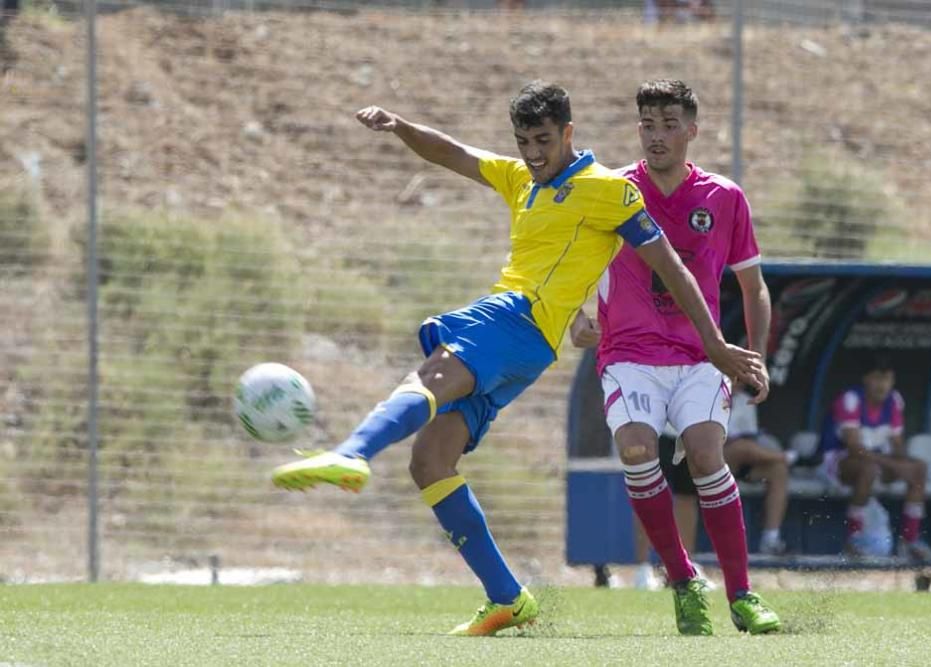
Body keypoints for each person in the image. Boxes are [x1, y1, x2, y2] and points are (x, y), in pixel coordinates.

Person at [270, 81, 764, 636]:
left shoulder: (610, 191)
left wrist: (718, 347)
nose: (532, 153)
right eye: (524, 140)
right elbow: (454, 153)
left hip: (518, 318)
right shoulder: (520, 177)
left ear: (568, 134)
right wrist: (400, 125)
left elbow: (672, 268)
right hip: (524, 345)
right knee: (430, 459)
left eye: (544, 140)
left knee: (433, 373)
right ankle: (507, 597)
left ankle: (351, 453)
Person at [570, 79, 779, 635]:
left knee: (708, 456)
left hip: (699, 355)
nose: (655, 136)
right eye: (646, 124)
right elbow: (570, 265)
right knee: (637, 447)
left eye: (668, 124)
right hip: (628, 352)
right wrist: (577, 319)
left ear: (692, 129)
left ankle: (741, 594)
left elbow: (752, 286)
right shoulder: (611, 191)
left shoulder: (724, 197)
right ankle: (684, 579)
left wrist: (753, 357)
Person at [819, 354, 931, 560]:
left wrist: (905, 463)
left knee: (919, 468)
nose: (882, 385)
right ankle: (853, 538)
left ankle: (910, 540)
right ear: (866, 379)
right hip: (838, 462)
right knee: (868, 469)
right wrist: (894, 464)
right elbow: (855, 449)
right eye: (877, 378)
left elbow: (897, 446)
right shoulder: (851, 400)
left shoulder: (895, 401)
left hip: (877, 460)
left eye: (887, 379)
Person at [664, 387, 795, 557]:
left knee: (777, 470)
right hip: (702, 458)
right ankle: (784, 456)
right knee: (738, 449)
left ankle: (771, 538)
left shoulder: (746, 401)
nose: (737, 379)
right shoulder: (701, 391)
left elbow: (748, 443)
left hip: (733, 462)